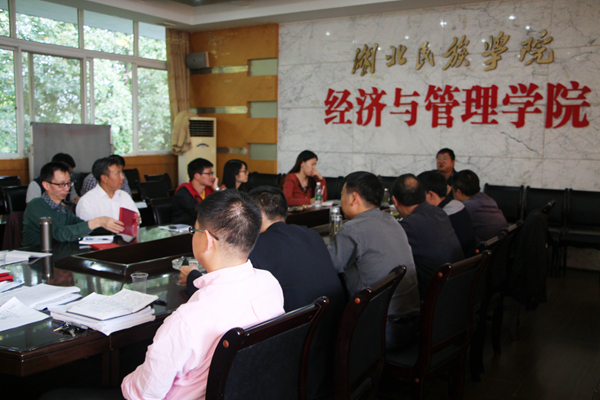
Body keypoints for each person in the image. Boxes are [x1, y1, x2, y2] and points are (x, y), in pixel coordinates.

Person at [179, 186, 344, 399]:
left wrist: (192, 277)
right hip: (329, 346)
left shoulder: (258, 247)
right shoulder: (311, 235)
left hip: (290, 361)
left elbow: (223, 293)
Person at [121, 190, 284, 400]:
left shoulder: (187, 320)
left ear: (206, 240)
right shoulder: (270, 284)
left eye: (194, 230)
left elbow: (143, 394)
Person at [327, 171, 420, 350]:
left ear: (354, 198)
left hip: (381, 330)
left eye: (342, 195)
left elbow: (328, 269)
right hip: (412, 324)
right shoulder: (393, 222)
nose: (341, 201)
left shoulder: (352, 230)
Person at [392, 173, 464, 299]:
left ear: (395, 201)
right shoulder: (439, 212)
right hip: (457, 287)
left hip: (434, 297)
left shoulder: (409, 226)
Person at [22, 162, 124, 247]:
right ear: (46, 185)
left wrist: (113, 227)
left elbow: (81, 225)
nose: (66, 188)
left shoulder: (62, 209)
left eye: (68, 183)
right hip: (36, 258)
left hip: (58, 254)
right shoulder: (35, 206)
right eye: (61, 184)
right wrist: (98, 221)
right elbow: (60, 233)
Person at [417, 170, 476, 256]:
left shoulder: (441, 216)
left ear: (430, 195)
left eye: (418, 194)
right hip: (467, 259)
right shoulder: (457, 204)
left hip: (456, 261)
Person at [76, 157, 140, 223]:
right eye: (118, 174)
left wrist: (135, 221)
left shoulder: (124, 196)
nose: (122, 177)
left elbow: (136, 220)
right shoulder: (86, 202)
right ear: (104, 178)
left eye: (122, 173)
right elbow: (86, 228)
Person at [452, 169, 508, 243]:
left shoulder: (466, 207)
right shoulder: (487, 198)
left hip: (486, 247)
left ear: (459, 192)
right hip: (501, 243)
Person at [171, 158, 219, 226]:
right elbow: (199, 212)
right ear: (197, 176)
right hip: (184, 229)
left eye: (212, 173)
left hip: (203, 227)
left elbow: (224, 207)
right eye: (209, 173)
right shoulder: (183, 191)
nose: (213, 177)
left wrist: (217, 189)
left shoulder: (209, 190)